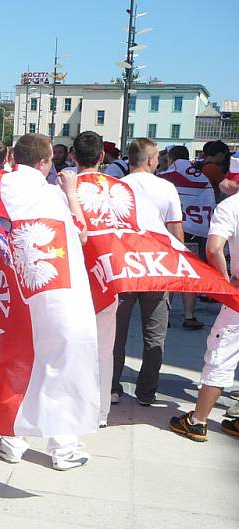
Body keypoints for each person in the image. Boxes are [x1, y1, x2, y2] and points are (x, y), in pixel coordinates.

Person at [0, 133, 94, 470]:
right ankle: (62, 448)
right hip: (54, 289)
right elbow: (81, 232)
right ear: (45, 162)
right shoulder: (53, 194)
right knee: (60, 361)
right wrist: (72, 193)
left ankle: (12, 438)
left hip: (12, 290)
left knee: (22, 358)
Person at [169, 161, 239, 441]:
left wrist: (223, 282)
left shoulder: (231, 206)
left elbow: (213, 248)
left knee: (221, 352)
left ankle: (198, 420)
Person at [112, 138, 183, 406]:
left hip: (124, 266)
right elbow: (176, 232)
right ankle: (147, 391)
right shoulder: (166, 188)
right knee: (155, 335)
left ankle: (111, 387)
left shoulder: (117, 186)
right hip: (157, 267)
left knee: (115, 333)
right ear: (152, 160)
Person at [72, 131, 121, 427]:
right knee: (104, 349)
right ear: (102, 157)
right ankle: (100, 412)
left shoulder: (63, 188)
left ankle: (74, 403)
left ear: (74, 156)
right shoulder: (118, 189)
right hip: (107, 275)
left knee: (71, 345)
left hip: (75, 278)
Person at [158, 145, 214, 330]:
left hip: (173, 230)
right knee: (189, 273)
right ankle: (189, 316)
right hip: (197, 232)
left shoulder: (165, 178)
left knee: (170, 272)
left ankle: (164, 315)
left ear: (171, 159)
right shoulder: (202, 178)